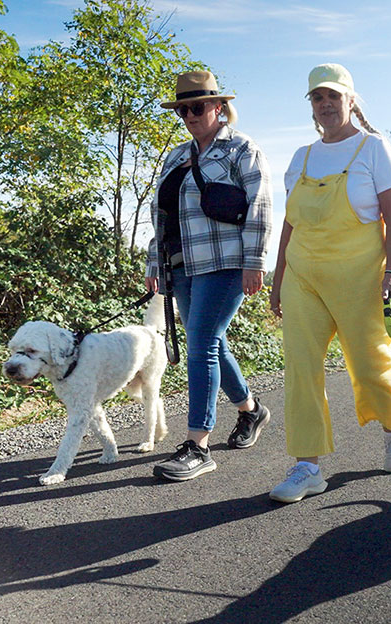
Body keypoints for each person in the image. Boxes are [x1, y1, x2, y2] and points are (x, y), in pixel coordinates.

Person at [268, 63, 391, 503]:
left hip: (361, 278)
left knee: (370, 364)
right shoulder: (301, 157)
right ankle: (307, 466)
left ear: (351, 100)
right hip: (303, 277)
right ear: (311, 106)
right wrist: (278, 280)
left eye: (333, 96)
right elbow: (288, 225)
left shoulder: (373, 149)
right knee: (301, 368)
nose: (325, 104)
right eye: (317, 97)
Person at [145, 70, 273, 481]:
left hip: (226, 263)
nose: (189, 115)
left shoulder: (242, 149)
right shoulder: (176, 155)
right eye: (183, 109)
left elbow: (260, 207)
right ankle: (251, 410)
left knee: (201, 343)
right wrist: (155, 264)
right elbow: (162, 216)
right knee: (211, 342)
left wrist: (255, 261)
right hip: (183, 266)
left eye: (197, 107)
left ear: (219, 106)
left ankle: (198, 446)